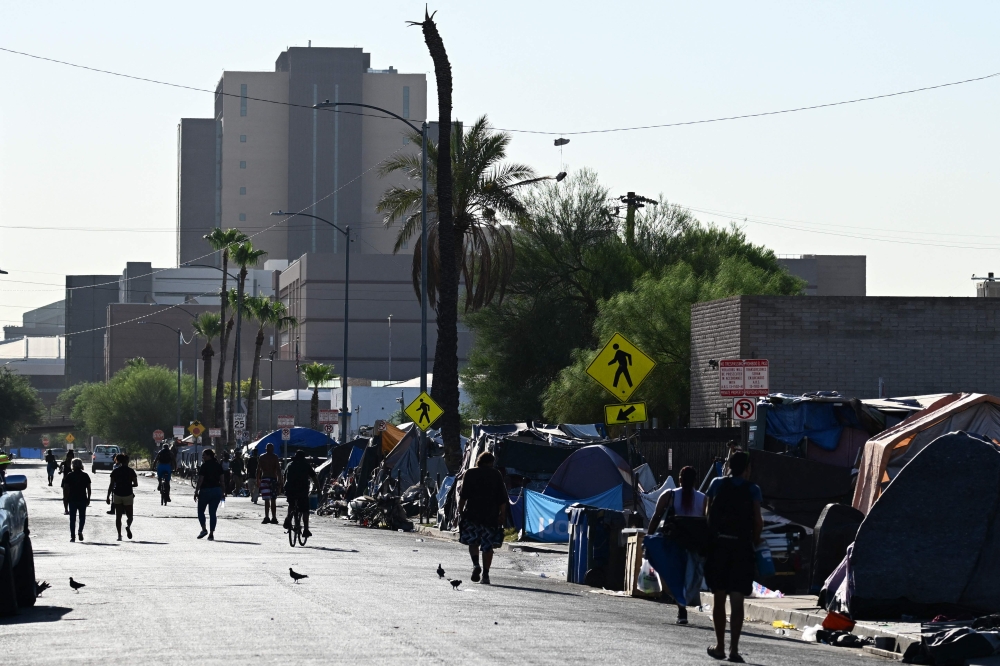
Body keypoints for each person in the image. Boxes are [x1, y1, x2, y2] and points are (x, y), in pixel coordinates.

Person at [704, 451, 763, 663]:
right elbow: (757, 521)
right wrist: (755, 541)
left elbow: (708, 515)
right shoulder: (753, 490)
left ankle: (719, 646)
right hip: (741, 548)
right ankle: (734, 650)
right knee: (737, 599)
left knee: (719, 598)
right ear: (746, 469)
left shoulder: (716, 484)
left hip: (719, 547)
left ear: (729, 465)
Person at [647, 466, 708, 625]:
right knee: (691, 576)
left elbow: (656, 517)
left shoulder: (669, 495)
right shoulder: (704, 499)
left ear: (679, 479)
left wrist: (648, 538)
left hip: (674, 544)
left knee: (675, 576)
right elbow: (709, 523)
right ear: (696, 481)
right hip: (695, 545)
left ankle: (681, 607)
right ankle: (683, 605)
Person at [458, 452, 508, 586]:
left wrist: (460, 511)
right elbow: (502, 498)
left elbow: (463, 495)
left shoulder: (469, 473)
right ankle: (485, 575)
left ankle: (475, 564)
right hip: (490, 517)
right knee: (487, 546)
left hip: (472, 515)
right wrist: (502, 514)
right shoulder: (496, 474)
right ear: (491, 462)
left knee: (473, 542)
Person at [283, 450, 319, 538]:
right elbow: (314, 478)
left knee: (291, 504)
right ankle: (306, 530)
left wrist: (284, 488)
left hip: (290, 489)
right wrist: (319, 488)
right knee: (305, 510)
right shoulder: (306, 465)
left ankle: (288, 518)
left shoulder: (289, 464)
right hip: (302, 490)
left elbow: (284, 477)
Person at [193, 448, 226, 540]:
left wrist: (196, 491)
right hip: (216, 491)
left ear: (209, 456)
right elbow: (222, 481)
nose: (203, 457)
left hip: (205, 491)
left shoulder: (204, 466)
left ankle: (204, 529)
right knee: (212, 513)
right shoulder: (218, 466)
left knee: (200, 511)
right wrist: (223, 492)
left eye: (204, 455)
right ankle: (211, 533)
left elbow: (200, 480)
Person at [106, 453, 138, 541]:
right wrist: (128, 485)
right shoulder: (131, 471)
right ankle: (128, 526)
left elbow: (111, 485)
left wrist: (108, 496)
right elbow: (136, 484)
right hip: (128, 494)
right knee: (130, 516)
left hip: (117, 494)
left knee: (118, 516)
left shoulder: (115, 471)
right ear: (127, 461)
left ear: (119, 461)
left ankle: (119, 535)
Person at [64, 459, 91, 542]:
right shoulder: (85, 475)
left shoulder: (69, 475)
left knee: (72, 519)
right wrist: (88, 498)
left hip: (72, 499)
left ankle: (72, 536)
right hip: (82, 498)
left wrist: (65, 500)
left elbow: (66, 489)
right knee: (82, 517)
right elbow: (89, 489)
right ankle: (80, 531)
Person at [256, 442, 282, 524]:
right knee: (273, 499)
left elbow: (258, 469)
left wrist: (258, 480)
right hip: (273, 479)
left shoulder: (262, 457)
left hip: (265, 479)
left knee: (266, 500)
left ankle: (267, 517)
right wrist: (280, 480)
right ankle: (273, 517)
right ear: (273, 449)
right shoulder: (275, 457)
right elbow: (278, 469)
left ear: (266, 449)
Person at [59, 450, 76, 515]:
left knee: (73, 496)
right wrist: (60, 471)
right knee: (65, 496)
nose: (70, 458)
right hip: (65, 481)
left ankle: (72, 508)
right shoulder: (64, 463)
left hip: (74, 481)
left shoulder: (74, 463)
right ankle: (66, 509)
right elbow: (61, 469)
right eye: (69, 456)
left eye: (71, 456)